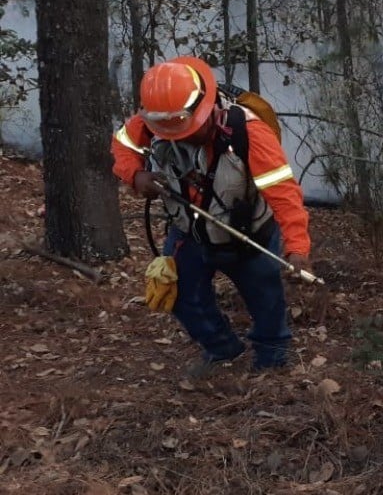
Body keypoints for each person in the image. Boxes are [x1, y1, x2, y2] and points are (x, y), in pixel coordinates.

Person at [111, 55, 312, 376]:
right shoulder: (157, 120)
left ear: (203, 109)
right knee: (179, 295)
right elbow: (122, 144)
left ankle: (271, 363)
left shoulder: (249, 133)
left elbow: (284, 194)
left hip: (249, 235)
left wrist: (297, 248)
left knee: (267, 302)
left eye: (184, 129)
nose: (176, 136)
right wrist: (135, 175)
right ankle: (222, 350)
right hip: (188, 233)